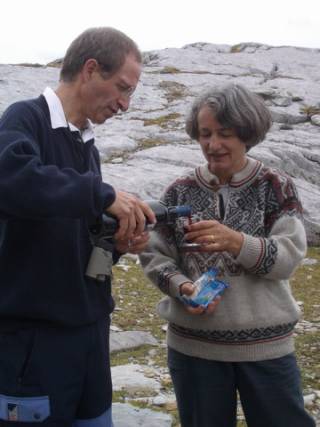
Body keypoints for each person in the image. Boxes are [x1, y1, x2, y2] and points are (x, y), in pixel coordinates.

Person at [0, 27, 155, 426]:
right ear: (90, 69)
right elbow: (12, 180)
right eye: (122, 87)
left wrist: (118, 243)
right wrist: (102, 196)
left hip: (89, 335)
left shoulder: (87, 146)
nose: (125, 104)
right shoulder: (26, 118)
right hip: (36, 342)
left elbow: (86, 241)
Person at [140, 84, 316, 427]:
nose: (212, 144)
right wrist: (182, 288)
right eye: (205, 134)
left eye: (225, 134)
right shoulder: (179, 191)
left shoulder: (274, 186)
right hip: (193, 350)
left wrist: (237, 242)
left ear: (247, 133)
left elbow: (290, 257)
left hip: (266, 349)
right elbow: (155, 257)